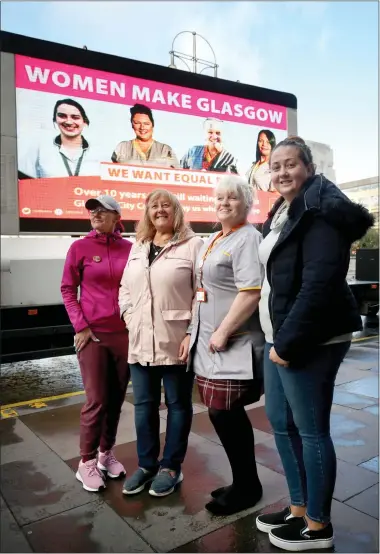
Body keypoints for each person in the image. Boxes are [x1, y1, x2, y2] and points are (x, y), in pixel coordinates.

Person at [255, 137, 374, 551]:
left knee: (310, 430)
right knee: (281, 423)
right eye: (276, 166)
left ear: (308, 167)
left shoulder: (319, 211)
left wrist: (286, 344)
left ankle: (319, 526)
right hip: (281, 333)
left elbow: (319, 283)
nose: (282, 172)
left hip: (310, 337)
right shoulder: (285, 210)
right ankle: (299, 508)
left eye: (291, 164)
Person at [188, 174, 265, 516]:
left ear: (247, 204)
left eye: (232, 198)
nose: (223, 203)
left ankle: (249, 487)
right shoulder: (215, 238)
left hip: (233, 341)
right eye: (219, 198)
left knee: (225, 412)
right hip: (210, 343)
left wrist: (222, 332)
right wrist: (195, 333)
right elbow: (201, 292)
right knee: (221, 413)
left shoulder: (248, 237)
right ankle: (242, 481)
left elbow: (250, 291)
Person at [119, 189, 203, 497]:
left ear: (176, 210)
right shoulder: (138, 246)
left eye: (166, 204)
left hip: (174, 340)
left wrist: (191, 333)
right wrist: (127, 314)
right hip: (140, 342)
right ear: (147, 213)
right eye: (154, 205)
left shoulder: (194, 245)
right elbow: (124, 288)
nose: (160, 209)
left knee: (178, 406)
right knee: (143, 407)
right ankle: (146, 465)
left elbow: (202, 294)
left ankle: (171, 467)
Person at [61, 195, 132, 493]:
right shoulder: (79, 247)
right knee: (96, 400)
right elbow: (67, 289)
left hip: (125, 335)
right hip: (93, 334)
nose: (95, 215)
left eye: (102, 211)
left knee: (116, 399)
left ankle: (105, 454)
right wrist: (81, 326)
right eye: (92, 210)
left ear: (117, 216)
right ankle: (86, 462)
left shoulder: (130, 248)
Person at [19, 98, 101, 179]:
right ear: (55, 120)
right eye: (62, 116)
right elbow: (26, 183)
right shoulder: (39, 149)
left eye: (75, 117)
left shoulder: (100, 153)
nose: (68, 122)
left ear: (85, 122)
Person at [111, 104, 179, 168]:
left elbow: (177, 174)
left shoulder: (165, 149)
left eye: (146, 124)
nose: (142, 127)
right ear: (132, 124)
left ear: (152, 125)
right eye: (137, 123)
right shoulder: (122, 147)